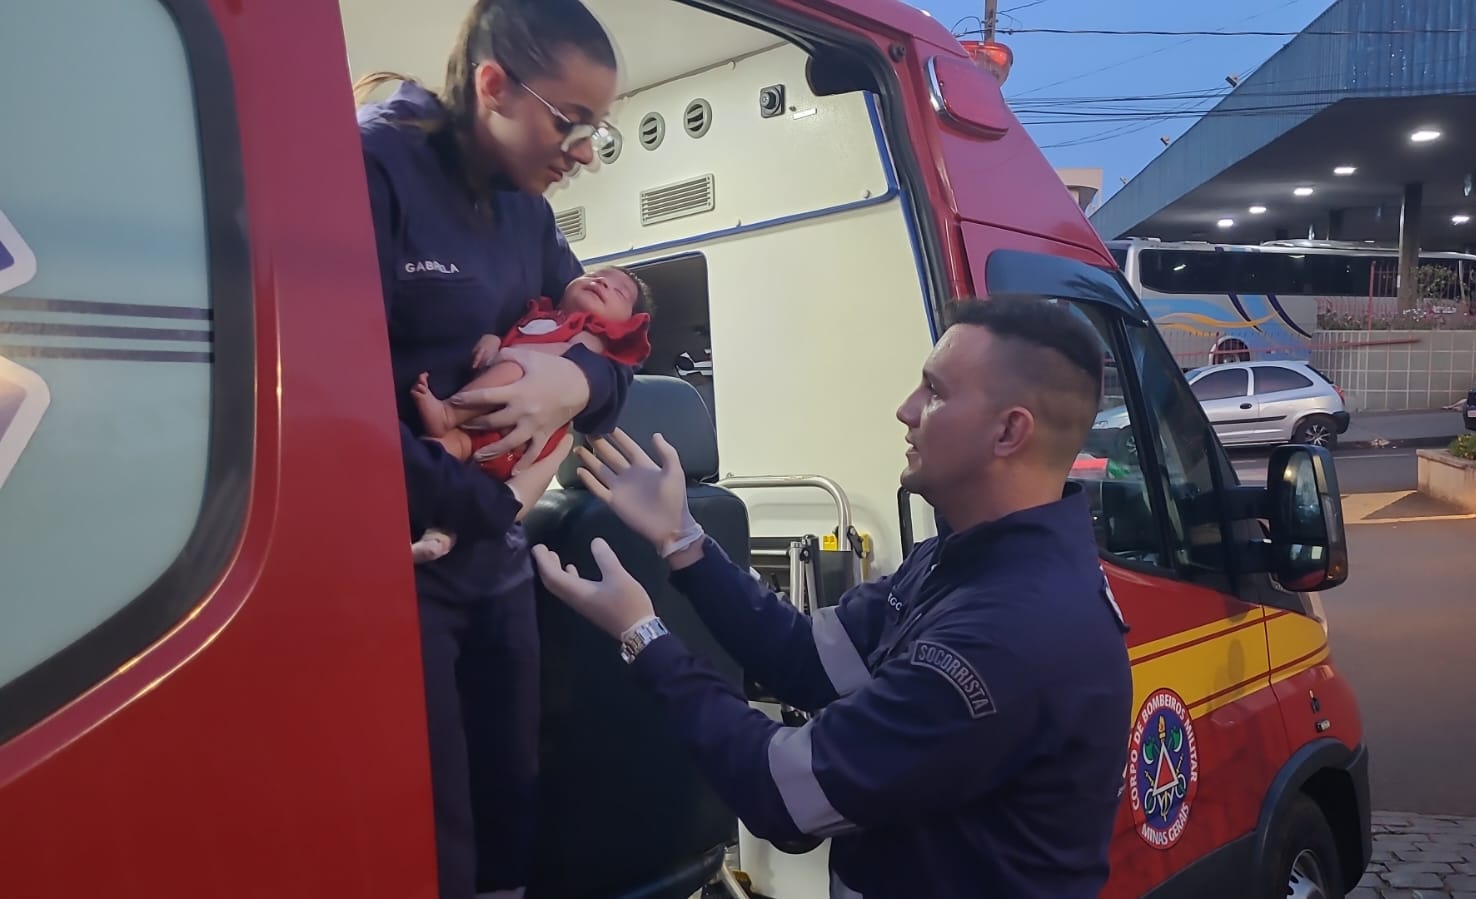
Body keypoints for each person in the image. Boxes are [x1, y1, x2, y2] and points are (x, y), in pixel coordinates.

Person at [533, 295, 1135, 899]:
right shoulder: (963, 562)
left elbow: (784, 792)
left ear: (1009, 431)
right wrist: (682, 539)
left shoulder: (1009, 634)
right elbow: (808, 660)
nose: (906, 410)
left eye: (935, 392)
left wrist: (644, 635)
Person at [353, 1, 629, 897]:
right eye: (573, 121)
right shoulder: (370, 167)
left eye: (599, 128)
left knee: (511, 796)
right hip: (397, 564)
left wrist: (579, 384)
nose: (584, 150)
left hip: (493, 559)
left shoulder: (528, 213)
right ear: (492, 84)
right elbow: (326, 400)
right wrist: (487, 496)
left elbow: (611, 337)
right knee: (434, 824)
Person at [410, 265, 653, 561]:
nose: (602, 283)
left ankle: (448, 412)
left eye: (619, 292)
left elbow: (573, 363)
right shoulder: (538, 316)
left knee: (515, 366)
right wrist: (494, 342)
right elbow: (512, 338)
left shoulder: (591, 335)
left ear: (627, 324)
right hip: (482, 431)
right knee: (440, 457)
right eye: (594, 276)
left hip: (524, 435)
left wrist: (520, 359)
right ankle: (439, 535)